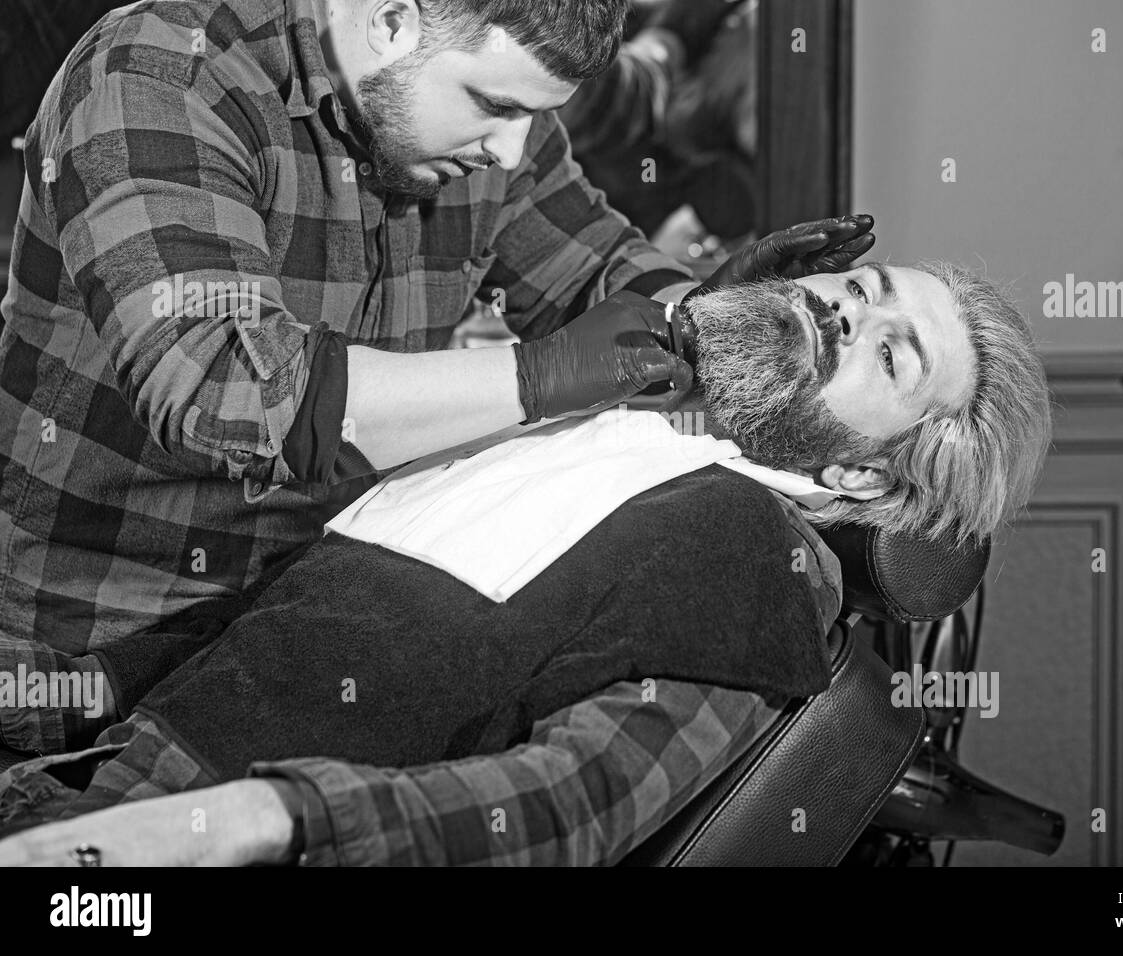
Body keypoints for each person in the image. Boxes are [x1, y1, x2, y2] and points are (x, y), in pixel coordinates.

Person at [0, 0, 876, 755]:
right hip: (78, 659)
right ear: (390, 20)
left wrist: (705, 319)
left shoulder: (494, 132)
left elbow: (598, 269)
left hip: (284, 647)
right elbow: (230, 391)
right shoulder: (160, 74)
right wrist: (541, 377)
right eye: (494, 106)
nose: (511, 150)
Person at [0, 258, 1051, 866]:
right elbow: (269, 635)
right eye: (861, 288)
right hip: (81, 780)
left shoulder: (752, 563)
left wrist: (256, 820)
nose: (844, 308)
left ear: (868, 483)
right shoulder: (605, 413)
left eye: (887, 352)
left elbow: (563, 808)